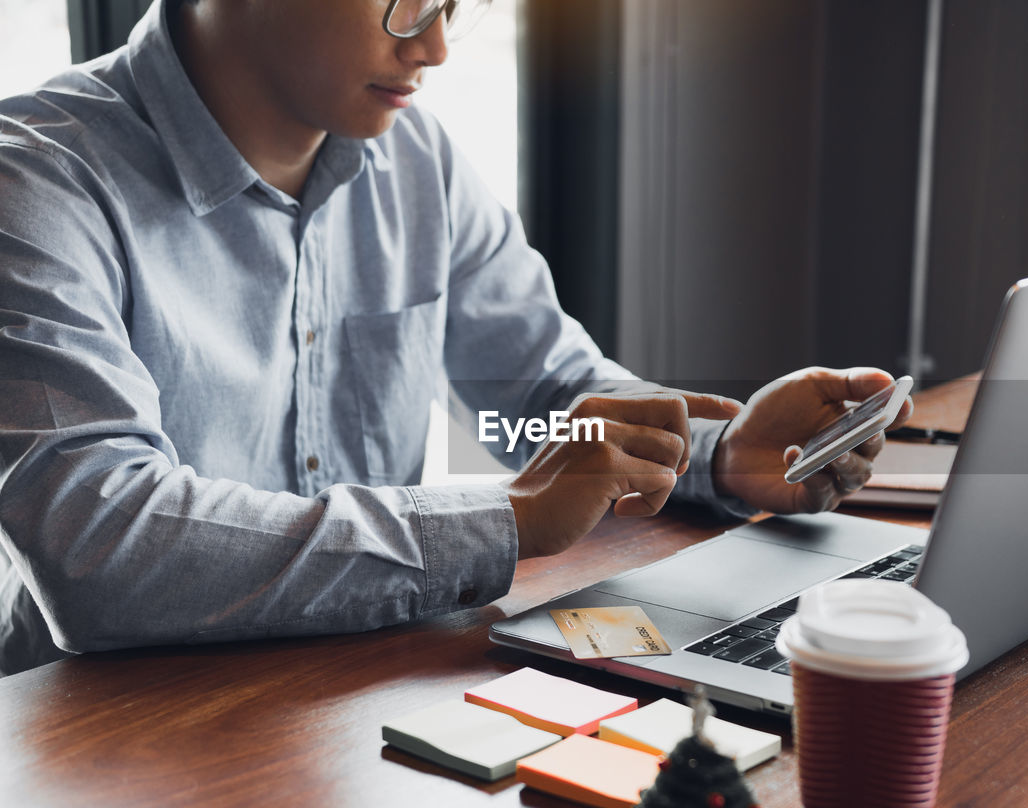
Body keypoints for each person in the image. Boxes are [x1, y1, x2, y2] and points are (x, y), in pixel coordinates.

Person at [0, 0, 910, 676]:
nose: (433, 44)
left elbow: (548, 394)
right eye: (402, 0)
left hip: (344, 702)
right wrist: (503, 521)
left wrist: (723, 455)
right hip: (97, 745)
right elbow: (101, 546)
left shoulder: (414, 156)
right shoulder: (37, 183)